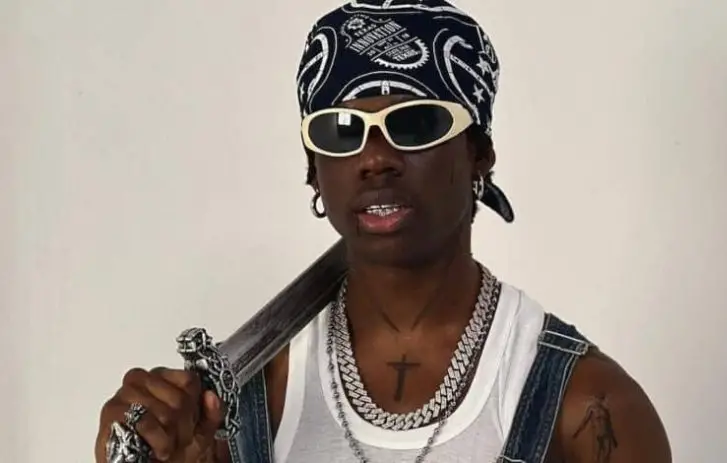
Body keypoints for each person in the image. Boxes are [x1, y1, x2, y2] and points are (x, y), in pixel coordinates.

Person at [94, 1, 672, 462]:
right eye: (342, 130)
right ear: (313, 169)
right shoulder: (240, 405)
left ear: (479, 153)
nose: (375, 158)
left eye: (416, 124)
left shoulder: (586, 408)